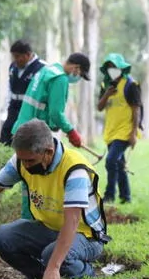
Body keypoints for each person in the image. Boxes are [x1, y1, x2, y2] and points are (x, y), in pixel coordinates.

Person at [0, 119, 110, 279]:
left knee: (51, 256)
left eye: (30, 161)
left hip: (86, 236)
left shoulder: (75, 170)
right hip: (50, 229)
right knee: (2, 237)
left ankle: (86, 273)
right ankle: (41, 276)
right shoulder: (21, 160)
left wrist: (54, 265)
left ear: (48, 152)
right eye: (22, 160)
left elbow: (72, 222)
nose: (25, 165)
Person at [10, 52, 91, 221]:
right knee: (35, 183)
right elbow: (56, 113)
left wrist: (54, 125)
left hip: (22, 130)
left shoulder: (46, 71)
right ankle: (31, 223)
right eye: (80, 74)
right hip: (34, 137)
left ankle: (28, 221)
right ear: (76, 68)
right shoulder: (60, 78)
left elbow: (45, 108)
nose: (77, 77)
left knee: (28, 182)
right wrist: (71, 131)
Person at [97, 53, 142, 204]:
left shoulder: (130, 84)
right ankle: (126, 197)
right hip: (110, 131)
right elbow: (99, 107)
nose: (112, 70)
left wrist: (134, 133)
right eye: (109, 68)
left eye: (115, 67)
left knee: (110, 161)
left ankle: (109, 195)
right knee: (119, 163)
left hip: (125, 131)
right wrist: (107, 94)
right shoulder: (105, 85)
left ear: (121, 68)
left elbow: (136, 109)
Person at [0, 40, 46, 146]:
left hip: (30, 110)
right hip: (13, 107)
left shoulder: (42, 68)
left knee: (25, 139)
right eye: (13, 57)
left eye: (17, 56)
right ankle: (1, 160)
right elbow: (9, 88)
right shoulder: (13, 67)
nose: (15, 60)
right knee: (6, 135)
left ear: (28, 55)